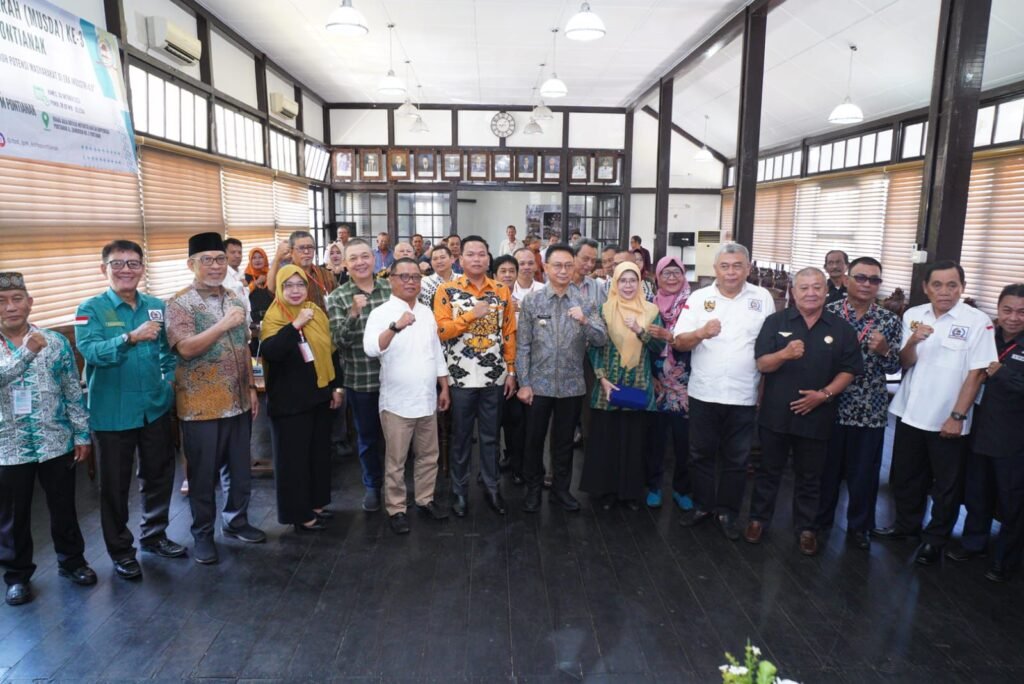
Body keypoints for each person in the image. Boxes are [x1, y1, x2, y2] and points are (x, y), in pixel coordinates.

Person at [874, 261, 997, 566]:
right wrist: (913, 341)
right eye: (938, 285)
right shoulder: (914, 315)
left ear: (962, 287)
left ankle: (935, 539)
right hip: (910, 410)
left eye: (952, 285)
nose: (945, 291)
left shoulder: (978, 321)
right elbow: (904, 362)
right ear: (926, 288)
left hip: (949, 418)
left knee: (945, 486)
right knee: (906, 476)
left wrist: (957, 416)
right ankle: (906, 526)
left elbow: (977, 373)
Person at [76, 241, 185, 581]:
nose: (126, 270)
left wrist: (168, 383)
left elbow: (168, 351)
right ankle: (121, 551)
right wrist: (129, 338)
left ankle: (154, 535)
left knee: (159, 475)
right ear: (104, 269)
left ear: (142, 268)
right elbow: (91, 352)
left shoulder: (156, 306)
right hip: (112, 413)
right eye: (118, 263)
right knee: (115, 486)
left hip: (154, 407)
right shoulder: (90, 309)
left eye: (133, 263)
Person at [166, 232, 266, 566]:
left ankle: (236, 520)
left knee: (239, 469)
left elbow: (244, 346)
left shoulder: (235, 298)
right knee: (203, 474)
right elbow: (185, 348)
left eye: (220, 259)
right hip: (201, 406)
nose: (215, 266)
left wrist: (251, 388)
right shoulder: (179, 303)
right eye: (206, 260)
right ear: (191, 264)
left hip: (238, 400)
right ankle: (203, 534)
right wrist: (223, 325)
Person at [748, 268, 862, 556]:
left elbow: (849, 370)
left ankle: (807, 529)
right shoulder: (775, 322)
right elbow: (762, 364)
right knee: (768, 471)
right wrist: (784, 354)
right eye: (804, 287)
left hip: (818, 415)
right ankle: (758, 520)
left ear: (826, 291)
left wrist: (824, 395)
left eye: (817, 287)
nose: (811, 293)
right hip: (776, 414)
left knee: (811, 477)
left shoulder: (841, 329)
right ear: (793, 292)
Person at [0, 272, 95, 606]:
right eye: (1, 302)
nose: (10, 307)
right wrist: (27, 352)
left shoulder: (54, 341)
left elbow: (71, 389)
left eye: (17, 299)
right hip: (8, 446)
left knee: (64, 506)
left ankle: (72, 562)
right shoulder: (32, 345)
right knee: (12, 517)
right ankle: (17, 577)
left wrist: (81, 432)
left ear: (29, 302)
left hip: (55, 439)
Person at [672, 243, 775, 535]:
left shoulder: (762, 298)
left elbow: (769, 347)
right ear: (715, 269)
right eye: (725, 266)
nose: (731, 272)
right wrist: (701, 333)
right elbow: (679, 342)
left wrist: (763, 391)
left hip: (744, 394)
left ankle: (728, 513)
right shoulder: (699, 298)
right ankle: (703, 506)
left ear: (748, 268)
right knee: (699, 454)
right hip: (704, 391)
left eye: (738, 265)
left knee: (737, 459)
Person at [817, 257, 902, 550]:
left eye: (874, 280)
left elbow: (895, 368)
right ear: (847, 279)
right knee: (826, 471)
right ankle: (820, 522)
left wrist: (885, 350)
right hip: (830, 404)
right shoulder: (827, 313)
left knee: (864, 474)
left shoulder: (889, 320)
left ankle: (859, 527)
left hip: (869, 408)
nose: (867, 284)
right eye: (861, 277)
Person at [364, 258, 451, 534]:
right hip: (397, 402)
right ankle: (397, 508)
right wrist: (395, 327)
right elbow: (371, 348)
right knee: (396, 460)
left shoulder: (426, 312)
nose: (411, 281)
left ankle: (425, 499)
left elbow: (436, 351)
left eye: (415, 277)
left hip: (426, 398)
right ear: (391, 279)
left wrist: (444, 386)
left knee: (429, 455)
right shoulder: (381, 312)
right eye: (404, 276)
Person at [518, 245, 607, 513]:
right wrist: (524, 383)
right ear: (545, 267)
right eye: (557, 265)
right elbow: (523, 346)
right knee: (533, 440)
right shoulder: (532, 301)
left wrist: (585, 321)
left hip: (571, 385)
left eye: (568, 265)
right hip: (538, 385)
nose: (563, 271)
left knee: (564, 442)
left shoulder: (585, 302)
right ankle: (533, 489)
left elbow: (601, 339)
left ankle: (561, 490)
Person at [433, 235, 517, 517]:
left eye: (482, 253)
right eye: (471, 254)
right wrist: (470, 315)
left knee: (491, 437)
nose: (477, 259)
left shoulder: (501, 290)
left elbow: (509, 333)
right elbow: (442, 331)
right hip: (461, 378)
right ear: (460, 259)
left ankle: (492, 488)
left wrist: (511, 371)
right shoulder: (446, 290)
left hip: (495, 376)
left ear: (488, 258)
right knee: (461, 437)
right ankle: (459, 491)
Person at [260, 266, 343, 533]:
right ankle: (299, 514)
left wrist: (336, 388)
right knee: (293, 460)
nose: (295, 291)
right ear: (279, 288)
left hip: (319, 395)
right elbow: (271, 352)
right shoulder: (274, 316)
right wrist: (295, 325)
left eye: (300, 285)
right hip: (290, 402)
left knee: (318, 455)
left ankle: (316, 505)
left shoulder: (314, 311)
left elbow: (330, 351)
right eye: (289, 285)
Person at [951, 284, 1024, 582]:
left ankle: (1005, 560)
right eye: (1007, 310)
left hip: (1013, 438)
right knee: (976, 493)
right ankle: (973, 544)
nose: (1013, 318)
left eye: (1021, 312)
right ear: (998, 308)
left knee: (1012, 504)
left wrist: (1003, 374)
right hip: (978, 429)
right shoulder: (986, 335)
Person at [581, 262, 666, 510]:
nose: (628, 285)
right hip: (608, 384)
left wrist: (640, 330)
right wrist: (601, 378)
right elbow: (594, 347)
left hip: (637, 383)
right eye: (623, 280)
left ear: (640, 283)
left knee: (634, 441)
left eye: (632, 280)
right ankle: (606, 491)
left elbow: (659, 347)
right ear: (615, 283)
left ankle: (630, 493)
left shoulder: (651, 311)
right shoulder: (604, 310)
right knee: (607, 439)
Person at [326, 238, 392, 512]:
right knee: (367, 438)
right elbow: (338, 341)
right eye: (353, 258)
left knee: (398, 438)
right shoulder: (338, 297)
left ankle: (396, 487)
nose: (360, 262)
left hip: (396, 377)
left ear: (374, 259)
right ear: (345, 263)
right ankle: (372, 486)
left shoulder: (391, 289)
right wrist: (353, 313)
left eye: (365, 256)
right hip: (361, 379)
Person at [647, 256, 693, 509]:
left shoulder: (693, 304)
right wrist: (651, 375)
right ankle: (653, 486)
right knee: (655, 439)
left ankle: (681, 489)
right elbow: (643, 344)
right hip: (656, 381)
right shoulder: (649, 306)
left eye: (677, 273)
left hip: (686, 382)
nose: (672, 277)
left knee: (683, 441)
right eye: (666, 273)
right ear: (658, 277)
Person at [492, 255, 527, 480]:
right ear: (494, 275)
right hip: (493, 371)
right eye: (502, 271)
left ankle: (516, 464)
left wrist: (520, 311)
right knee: (492, 423)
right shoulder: (486, 299)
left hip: (518, 370)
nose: (507, 275)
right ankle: (490, 467)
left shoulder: (525, 301)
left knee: (516, 421)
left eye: (511, 271)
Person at [269, 231, 336, 312]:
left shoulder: (326, 274)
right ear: (291, 251)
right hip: (295, 319)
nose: (306, 252)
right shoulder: (285, 275)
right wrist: (277, 259)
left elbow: (338, 298)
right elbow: (271, 289)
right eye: (301, 248)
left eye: (310, 247)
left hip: (323, 319)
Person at [571, 238, 606, 309]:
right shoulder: (559, 284)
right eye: (585, 259)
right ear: (573, 257)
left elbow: (603, 313)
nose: (590, 264)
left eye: (593, 261)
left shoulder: (597, 287)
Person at [222, 238, 251, 319]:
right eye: (233, 252)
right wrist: (240, 284)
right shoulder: (221, 275)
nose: (237, 255)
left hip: (245, 321)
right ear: (224, 255)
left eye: (239, 252)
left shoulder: (241, 273)